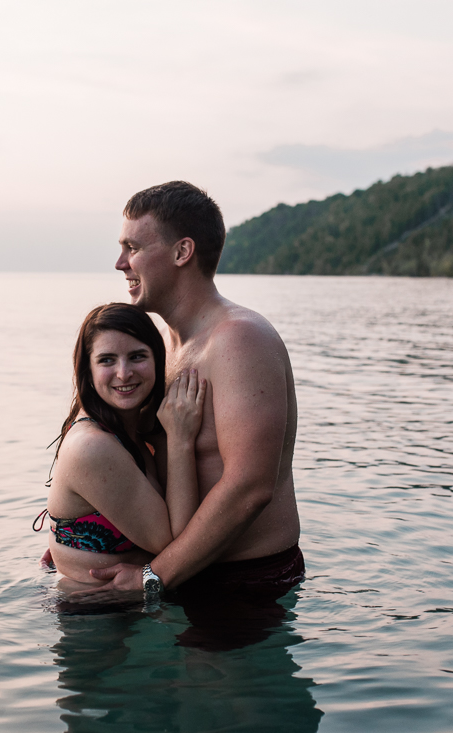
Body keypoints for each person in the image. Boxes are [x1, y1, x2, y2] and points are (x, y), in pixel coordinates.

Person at [74, 181, 305, 628]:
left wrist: (152, 578)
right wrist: (88, 535)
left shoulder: (239, 340)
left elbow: (249, 487)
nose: (120, 263)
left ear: (182, 252)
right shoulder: (161, 348)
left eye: (133, 247)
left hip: (243, 589)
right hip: (185, 573)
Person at [36, 302, 208, 590]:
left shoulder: (127, 427)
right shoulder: (93, 446)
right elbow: (175, 544)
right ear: (87, 370)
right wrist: (180, 438)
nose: (124, 372)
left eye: (137, 356)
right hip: (95, 619)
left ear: (157, 360)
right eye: (106, 360)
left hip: (125, 615)